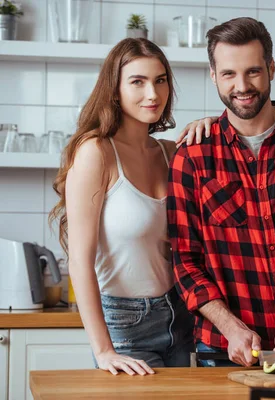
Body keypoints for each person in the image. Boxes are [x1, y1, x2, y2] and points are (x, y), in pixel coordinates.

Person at [167, 17, 275, 375]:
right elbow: (185, 260)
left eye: (253, 71)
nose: (242, 86)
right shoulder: (193, 157)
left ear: (272, 69)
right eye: (229, 74)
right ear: (213, 76)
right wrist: (231, 327)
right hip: (220, 351)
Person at [48, 38, 211, 376]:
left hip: (179, 317)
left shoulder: (171, 152)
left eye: (160, 79)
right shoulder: (96, 153)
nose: (153, 93)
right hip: (124, 324)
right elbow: (80, 261)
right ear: (115, 89)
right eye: (138, 81)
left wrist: (210, 125)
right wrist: (104, 350)